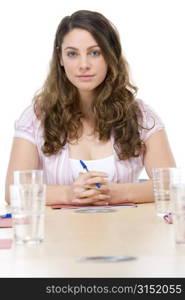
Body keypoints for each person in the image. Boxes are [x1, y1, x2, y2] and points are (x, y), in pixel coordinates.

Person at [5, 10, 176, 206]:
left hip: (125, 234)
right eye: (72, 54)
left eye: (95, 53)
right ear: (60, 58)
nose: (83, 65)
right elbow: (13, 192)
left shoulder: (141, 116)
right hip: (61, 236)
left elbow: (171, 185)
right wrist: (68, 194)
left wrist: (118, 193)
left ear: (110, 56)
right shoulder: (36, 117)